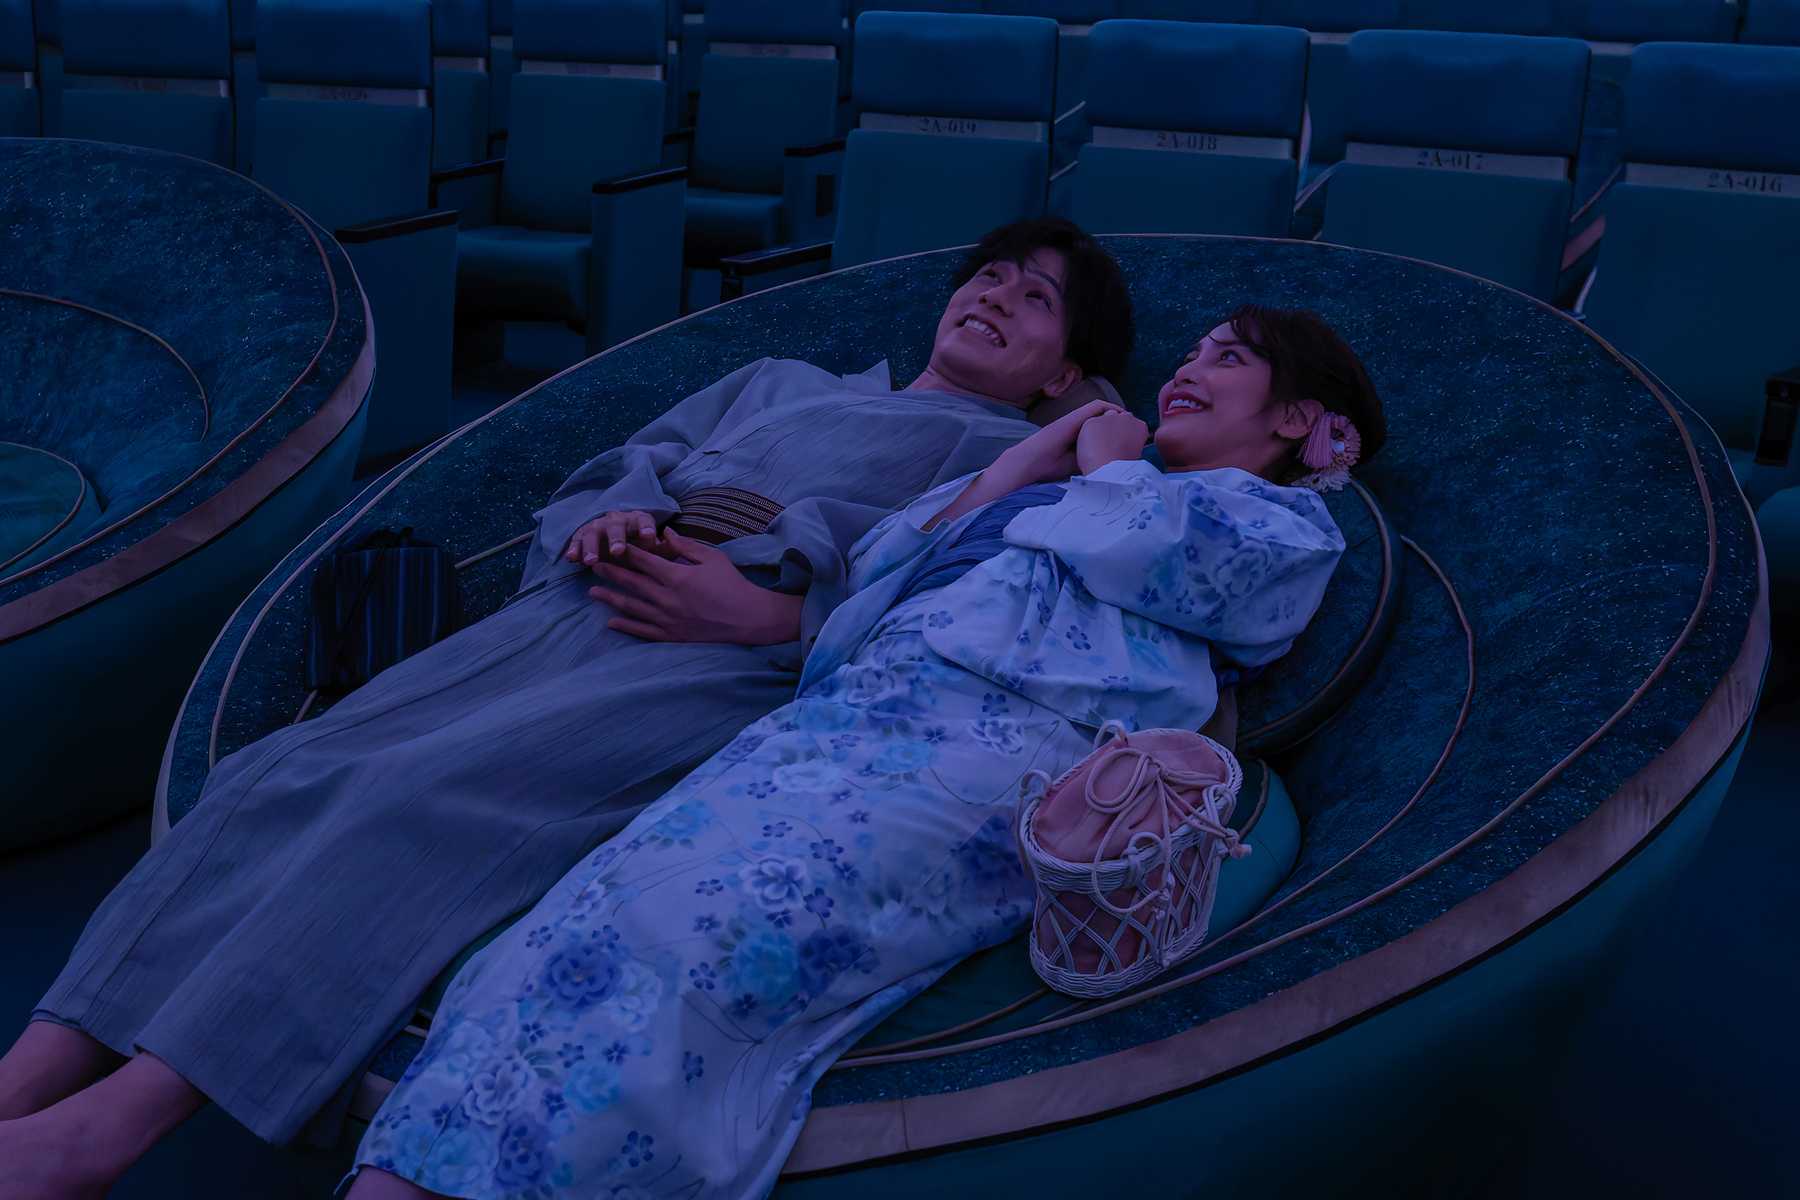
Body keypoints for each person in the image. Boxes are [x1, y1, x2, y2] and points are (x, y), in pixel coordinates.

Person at [0, 217, 1136, 1199]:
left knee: (414, 800)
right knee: (283, 771)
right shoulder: (786, 378)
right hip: (574, 607)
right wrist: (608, 514)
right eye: (989, 276)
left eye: (1037, 300)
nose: (996, 296)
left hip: (713, 662)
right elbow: (632, 457)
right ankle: (31, 1075)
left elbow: (959, 610)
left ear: (1063, 375)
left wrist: (774, 618)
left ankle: (109, 1130)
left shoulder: (1015, 458)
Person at [344, 305, 1387, 1200]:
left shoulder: (1282, 527)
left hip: (992, 752)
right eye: (1191, 352)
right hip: (845, 723)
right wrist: (1028, 459)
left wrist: (1109, 466)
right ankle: (402, 1173)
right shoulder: (1080, 480)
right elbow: (885, 564)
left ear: (1297, 418)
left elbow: (1155, 557)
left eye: (1225, 358)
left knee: (693, 948)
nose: (1187, 369)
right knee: (588, 911)